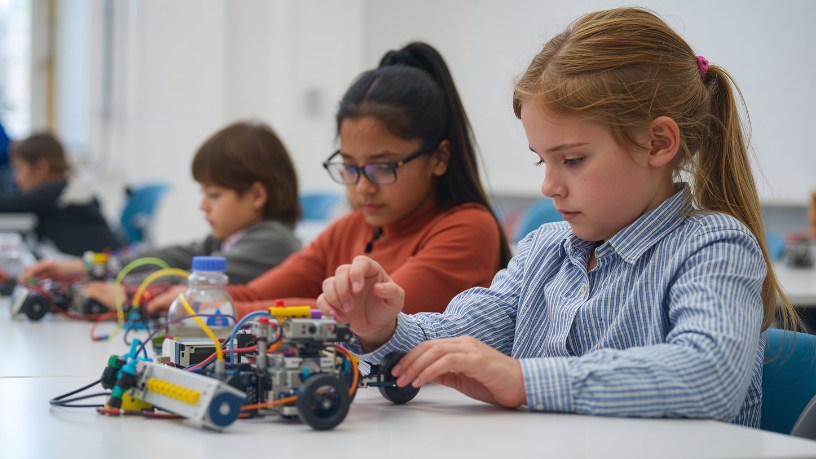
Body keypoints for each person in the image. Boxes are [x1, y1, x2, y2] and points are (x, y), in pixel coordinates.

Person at [317, 8, 800, 428]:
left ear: (658, 143)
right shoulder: (545, 249)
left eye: (571, 160)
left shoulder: (714, 246)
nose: (549, 185)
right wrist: (383, 328)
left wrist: (523, 380)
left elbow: (708, 375)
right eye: (540, 160)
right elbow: (457, 337)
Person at [145, 42, 512, 319]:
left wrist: (218, 310)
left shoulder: (468, 228)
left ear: (439, 157)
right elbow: (248, 294)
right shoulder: (350, 229)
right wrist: (167, 297)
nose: (362, 187)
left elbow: (366, 316)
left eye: (382, 167)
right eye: (349, 167)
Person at [20, 122, 302, 307]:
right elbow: (169, 258)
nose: (203, 206)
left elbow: (191, 286)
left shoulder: (272, 241)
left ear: (256, 195)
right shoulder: (230, 238)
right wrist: (88, 268)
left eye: (213, 195)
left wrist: (125, 293)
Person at [0, 133, 122, 256]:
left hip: (112, 269)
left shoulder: (56, 192)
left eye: (18, 169)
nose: (16, 179)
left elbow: (10, 203)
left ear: (42, 168)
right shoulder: (68, 188)